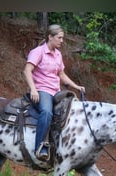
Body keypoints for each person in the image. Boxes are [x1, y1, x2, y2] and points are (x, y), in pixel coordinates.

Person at [23, 24, 85, 161]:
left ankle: (65, 145)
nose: (62, 41)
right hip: (42, 90)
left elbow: (61, 75)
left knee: (71, 110)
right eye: (59, 38)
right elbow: (27, 70)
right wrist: (33, 89)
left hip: (56, 90)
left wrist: (76, 86)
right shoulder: (38, 52)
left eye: (62, 38)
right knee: (46, 112)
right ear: (50, 37)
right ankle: (40, 147)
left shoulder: (58, 54)